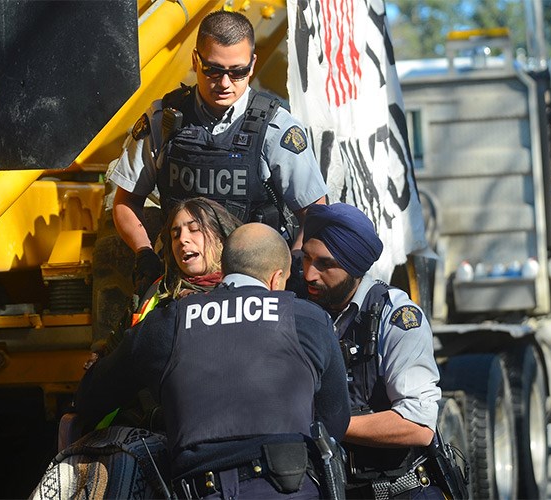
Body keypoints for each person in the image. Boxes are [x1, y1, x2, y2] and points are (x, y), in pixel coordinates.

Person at [75, 223, 350, 498]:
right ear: (276, 279)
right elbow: (334, 421)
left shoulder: (167, 323)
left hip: (204, 489)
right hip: (292, 486)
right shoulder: (310, 320)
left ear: (225, 268)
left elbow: (92, 396)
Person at [108, 9, 328, 298]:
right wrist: (144, 253)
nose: (225, 83)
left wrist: (293, 265)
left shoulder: (276, 128)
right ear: (195, 60)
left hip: (255, 289)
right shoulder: (164, 120)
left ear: (252, 65)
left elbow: (315, 211)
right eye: (213, 69)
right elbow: (126, 201)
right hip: (180, 286)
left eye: (237, 72)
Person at [301, 203, 444, 499]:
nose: (310, 275)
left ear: (355, 267)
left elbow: (418, 425)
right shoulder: (300, 308)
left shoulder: (397, 318)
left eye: (325, 264)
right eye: (306, 259)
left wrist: (324, 426)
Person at [131, 197, 243, 326]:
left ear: (221, 238)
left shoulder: (248, 294)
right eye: (175, 235)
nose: (183, 239)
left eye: (194, 229)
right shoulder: (156, 292)